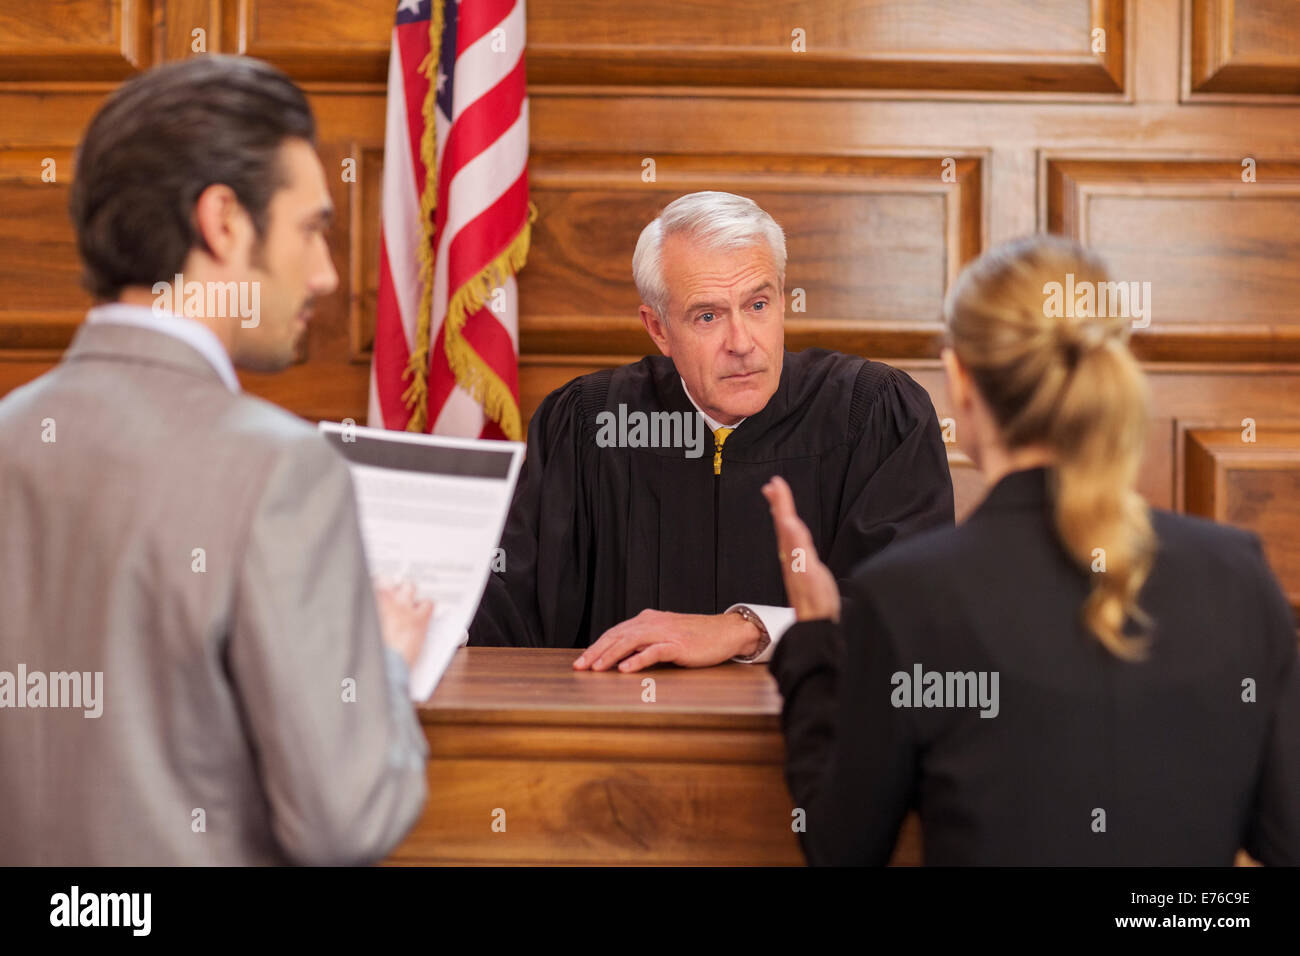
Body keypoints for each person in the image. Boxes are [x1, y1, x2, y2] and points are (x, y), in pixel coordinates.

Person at [0, 55, 432, 865]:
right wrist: (380, 666)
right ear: (224, 222)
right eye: (311, 229)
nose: (328, 275)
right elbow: (345, 823)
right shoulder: (281, 470)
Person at [764, 234, 1300, 865]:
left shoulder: (908, 595)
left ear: (959, 378)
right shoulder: (1238, 574)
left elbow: (843, 850)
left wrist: (816, 637)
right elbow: (1285, 840)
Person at [469, 191, 954, 671]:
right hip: (626, 737)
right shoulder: (589, 425)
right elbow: (507, 622)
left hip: (816, 737)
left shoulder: (872, 413)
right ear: (657, 328)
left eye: (758, 305)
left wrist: (746, 629)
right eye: (708, 316)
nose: (742, 343)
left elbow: (915, 615)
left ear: (783, 300)